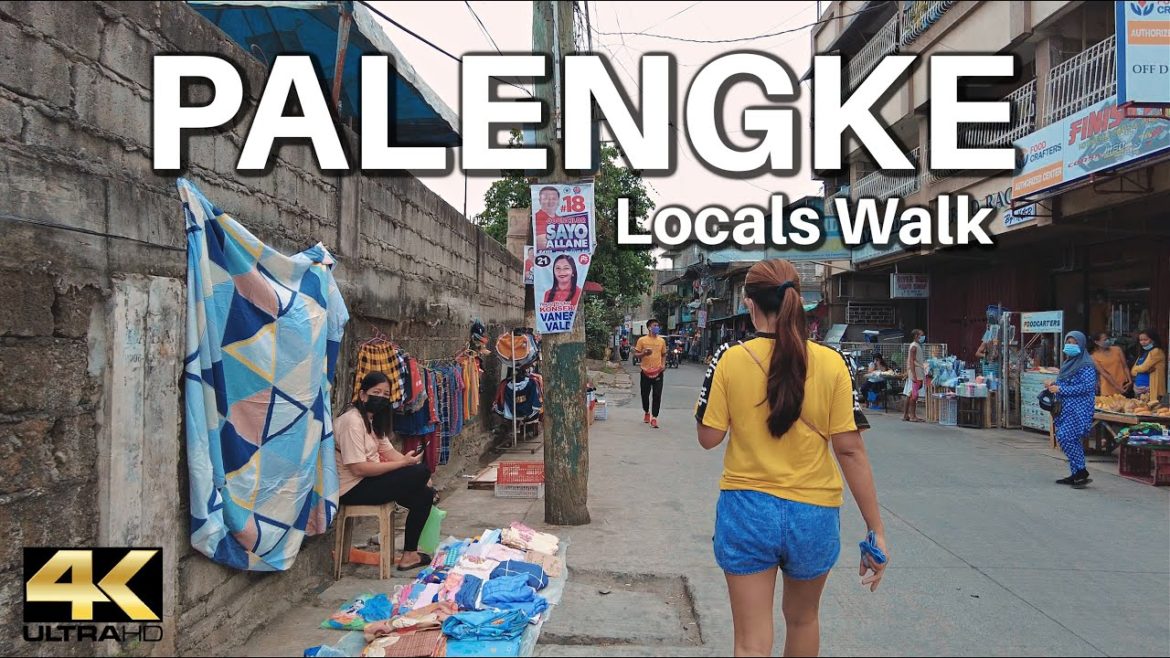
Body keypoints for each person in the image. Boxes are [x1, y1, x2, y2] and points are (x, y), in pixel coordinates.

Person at [695, 259, 886, 658]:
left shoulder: (729, 359)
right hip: (813, 512)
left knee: (750, 643)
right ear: (798, 300)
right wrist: (875, 530)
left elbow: (709, 438)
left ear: (749, 303)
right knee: (803, 620)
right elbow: (850, 450)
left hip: (747, 509)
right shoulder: (833, 363)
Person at [336, 372, 435, 571]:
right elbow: (358, 468)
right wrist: (407, 467)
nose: (381, 398)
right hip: (352, 489)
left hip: (370, 481)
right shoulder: (351, 422)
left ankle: (410, 555)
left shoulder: (372, 421)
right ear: (363, 395)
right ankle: (410, 554)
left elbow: (389, 452)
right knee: (421, 472)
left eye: (385, 394)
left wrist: (409, 465)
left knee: (425, 494)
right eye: (376, 392)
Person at [1046, 331, 1098, 486]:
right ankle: (1077, 474)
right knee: (1071, 439)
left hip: (1079, 408)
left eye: (1075, 343)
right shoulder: (1068, 363)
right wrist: (1053, 385)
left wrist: (1061, 390)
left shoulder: (1086, 365)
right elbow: (1064, 384)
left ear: (1082, 345)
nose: (1071, 345)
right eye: (1068, 342)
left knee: (1065, 437)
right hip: (1066, 407)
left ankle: (1081, 470)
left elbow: (1087, 387)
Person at [636, 318, 668, 428]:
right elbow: (636, 354)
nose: (657, 327)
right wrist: (644, 353)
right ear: (649, 327)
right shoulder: (642, 340)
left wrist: (663, 365)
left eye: (658, 326)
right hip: (645, 372)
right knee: (645, 394)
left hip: (658, 372)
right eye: (655, 326)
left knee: (657, 394)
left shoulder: (661, 341)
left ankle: (654, 417)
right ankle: (646, 412)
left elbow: (663, 354)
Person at [1089, 332, 1132, 396]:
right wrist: (1118, 387)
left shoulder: (1117, 349)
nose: (1107, 341)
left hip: (1123, 384)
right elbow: (1104, 373)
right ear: (1097, 342)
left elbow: (1125, 366)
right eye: (1105, 340)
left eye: (1108, 339)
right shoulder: (1093, 356)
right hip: (1108, 388)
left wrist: (1130, 380)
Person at [1131, 330, 1167, 401]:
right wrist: (1143, 370)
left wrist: (1140, 369)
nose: (1143, 342)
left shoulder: (1156, 351)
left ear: (1153, 339)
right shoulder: (1143, 353)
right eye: (1141, 340)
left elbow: (1143, 368)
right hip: (1139, 389)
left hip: (1151, 389)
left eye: (1145, 339)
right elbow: (1133, 372)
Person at [903, 329, 930, 422]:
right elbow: (911, 361)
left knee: (911, 394)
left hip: (917, 372)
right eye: (921, 335)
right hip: (915, 372)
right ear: (916, 336)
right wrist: (914, 375)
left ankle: (907, 415)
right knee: (914, 395)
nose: (923, 337)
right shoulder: (914, 346)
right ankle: (912, 415)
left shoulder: (917, 346)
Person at [533, 186, 561, 251]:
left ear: (558, 201)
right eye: (546, 198)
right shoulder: (537, 217)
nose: (550, 201)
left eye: (554, 199)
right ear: (540, 201)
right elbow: (543, 245)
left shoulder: (561, 219)